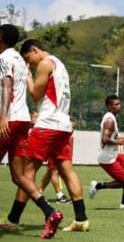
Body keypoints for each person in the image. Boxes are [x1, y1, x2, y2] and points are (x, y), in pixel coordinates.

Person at [12, 39, 89, 237]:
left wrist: (28, 77)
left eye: (29, 58)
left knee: (26, 172)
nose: (30, 63)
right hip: (63, 124)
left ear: (35, 50)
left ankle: (13, 219)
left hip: (48, 124)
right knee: (66, 170)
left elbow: (36, 95)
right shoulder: (60, 64)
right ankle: (81, 219)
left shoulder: (45, 64)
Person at [0, 25, 38, 229]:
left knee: (19, 175)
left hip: (11, 119)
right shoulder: (22, 62)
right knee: (19, 176)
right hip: (23, 121)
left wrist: (3, 116)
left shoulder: (5, 58)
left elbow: (7, 86)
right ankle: (50, 211)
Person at [88, 95, 124, 209]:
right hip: (107, 158)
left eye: (119, 104)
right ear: (109, 106)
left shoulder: (112, 118)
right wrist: (118, 142)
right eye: (116, 104)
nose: (119, 106)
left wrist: (119, 139)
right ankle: (98, 186)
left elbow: (110, 138)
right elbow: (105, 140)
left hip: (114, 155)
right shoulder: (109, 120)